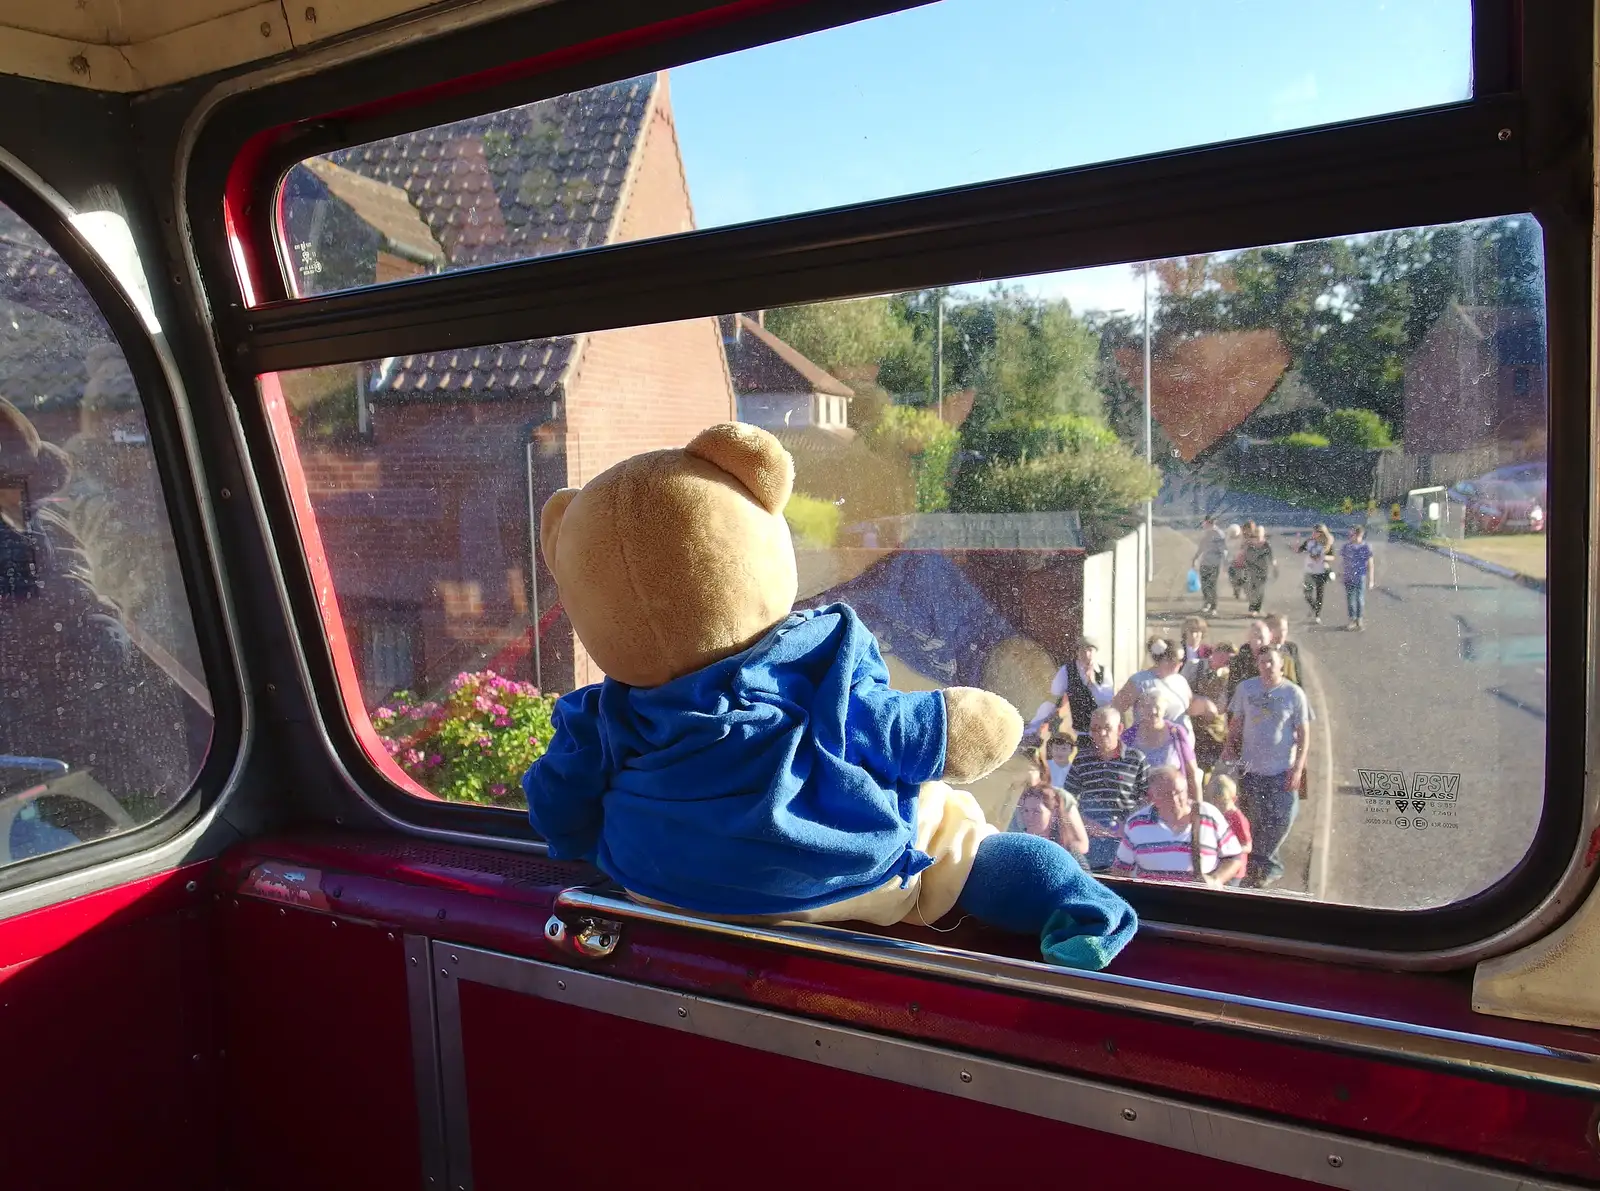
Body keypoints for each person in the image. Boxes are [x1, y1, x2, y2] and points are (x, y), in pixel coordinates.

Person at [1223, 646, 1312, 888]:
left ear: (1281, 664)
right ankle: (1259, 865)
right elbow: (1236, 722)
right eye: (1262, 662)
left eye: (1272, 662)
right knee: (1251, 818)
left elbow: (1304, 735)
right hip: (1251, 768)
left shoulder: (1294, 694)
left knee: (1282, 818)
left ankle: (1266, 861)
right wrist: (1230, 746)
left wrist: (1298, 769)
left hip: (1282, 769)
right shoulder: (1246, 689)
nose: (1267, 667)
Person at [1111, 766, 1244, 886]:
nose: (1175, 800)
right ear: (1153, 797)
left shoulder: (1208, 815)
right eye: (1167, 795)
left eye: (1179, 792)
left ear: (1186, 790)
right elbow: (1120, 868)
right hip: (1153, 903)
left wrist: (1216, 880)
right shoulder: (1136, 824)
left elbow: (1234, 857)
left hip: (1199, 903)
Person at [1065, 706, 1150, 872]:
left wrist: (1127, 825)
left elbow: (1147, 800)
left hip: (1125, 842)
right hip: (1089, 841)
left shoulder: (1136, 759)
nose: (1101, 734)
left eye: (1107, 728)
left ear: (1119, 729)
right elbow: (1066, 800)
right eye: (1095, 729)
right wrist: (1085, 824)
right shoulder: (1081, 760)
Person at [1122, 688, 1203, 807]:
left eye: (1158, 707)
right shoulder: (1128, 737)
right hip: (1139, 804)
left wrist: (1199, 808)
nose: (1153, 711)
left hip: (1174, 802)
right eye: (1148, 706)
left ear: (1165, 709)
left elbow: (1193, 773)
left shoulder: (1176, 733)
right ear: (1140, 709)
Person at [1111, 636, 1195, 730]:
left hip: (1179, 741)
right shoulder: (1140, 680)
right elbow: (1116, 708)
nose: (1182, 664)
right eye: (1179, 660)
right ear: (1166, 659)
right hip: (1149, 741)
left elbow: (1191, 706)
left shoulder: (1181, 680)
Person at [1012, 778, 1090, 863]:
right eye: (1026, 810)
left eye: (1036, 811)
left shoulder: (1071, 857)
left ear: (1053, 813)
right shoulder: (1015, 849)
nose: (1029, 817)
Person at [1050, 635, 1112, 735]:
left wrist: (1093, 683)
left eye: (1090, 650)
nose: (1086, 654)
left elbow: (1107, 700)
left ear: (1095, 652)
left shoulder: (1104, 672)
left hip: (1097, 731)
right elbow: (1055, 692)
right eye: (1082, 650)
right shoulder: (1067, 670)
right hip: (1072, 729)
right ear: (1077, 652)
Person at [1206, 772, 1251, 887]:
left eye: (1223, 803)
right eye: (1215, 803)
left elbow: (1248, 846)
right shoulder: (1215, 815)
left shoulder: (1238, 819)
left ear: (1234, 799)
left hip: (1234, 869)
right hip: (1219, 865)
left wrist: (1231, 849)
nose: (1219, 807)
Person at [1225, 619, 1274, 702]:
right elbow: (1232, 692)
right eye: (1254, 637)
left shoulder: (1281, 660)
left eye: (1261, 638)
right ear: (1249, 639)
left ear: (1270, 637)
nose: (1258, 642)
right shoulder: (1238, 661)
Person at [1339, 524, 1376, 631]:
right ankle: (1352, 619)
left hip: (1360, 576)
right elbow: (1343, 562)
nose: (1350, 536)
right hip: (1349, 576)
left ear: (1359, 534)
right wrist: (1341, 574)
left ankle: (1359, 619)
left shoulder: (1366, 547)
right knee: (1350, 599)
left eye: (1352, 534)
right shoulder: (1346, 547)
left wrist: (1371, 580)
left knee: (1360, 599)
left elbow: (1370, 564)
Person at [1297, 524, 1335, 624]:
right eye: (1313, 531)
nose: (1313, 534)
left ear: (1322, 533)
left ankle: (1317, 615)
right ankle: (1314, 607)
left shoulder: (1327, 543)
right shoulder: (1309, 541)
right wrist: (1297, 548)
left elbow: (1332, 557)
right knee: (1307, 593)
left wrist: (1323, 557)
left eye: (1316, 532)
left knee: (1319, 594)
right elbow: (1299, 550)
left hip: (1321, 571)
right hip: (1309, 570)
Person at [1192, 516, 1227, 615]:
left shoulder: (1219, 534)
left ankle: (1213, 607)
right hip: (1205, 562)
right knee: (1204, 584)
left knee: (1212, 585)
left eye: (1205, 523)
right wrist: (1195, 557)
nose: (1203, 525)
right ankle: (1207, 603)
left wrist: (1224, 563)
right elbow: (1202, 546)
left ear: (1209, 523)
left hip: (1214, 563)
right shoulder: (1206, 533)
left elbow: (1223, 550)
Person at [1241, 523, 1276, 615]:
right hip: (1251, 569)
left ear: (1263, 534)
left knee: (1260, 590)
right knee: (1252, 589)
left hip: (1263, 570)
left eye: (1259, 533)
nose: (1257, 536)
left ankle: (1256, 608)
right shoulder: (1249, 544)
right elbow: (1244, 555)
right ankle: (1253, 607)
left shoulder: (1266, 545)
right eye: (1256, 533)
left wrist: (1275, 568)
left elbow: (1272, 558)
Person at [1262, 612, 1302, 687]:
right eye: (1279, 630)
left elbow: (1298, 677)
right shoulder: (1260, 650)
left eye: (1284, 630)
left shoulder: (1291, 648)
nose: (1282, 634)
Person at [1178, 615, 1210, 685]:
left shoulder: (1208, 651)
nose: (1194, 635)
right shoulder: (1178, 649)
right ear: (1185, 632)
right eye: (1192, 632)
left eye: (1198, 632)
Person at [1226, 522, 1250, 600]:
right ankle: (1236, 589)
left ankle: (1245, 592)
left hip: (1241, 561)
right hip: (1232, 561)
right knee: (1233, 578)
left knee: (1244, 578)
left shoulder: (1243, 537)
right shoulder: (1228, 538)